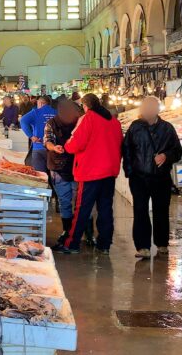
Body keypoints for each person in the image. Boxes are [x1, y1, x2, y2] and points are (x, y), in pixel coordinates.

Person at [58, 94, 123, 254]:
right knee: (106, 209)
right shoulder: (114, 121)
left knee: (82, 209)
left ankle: (71, 244)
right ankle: (104, 245)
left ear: (86, 106)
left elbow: (75, 145)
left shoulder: (88, 118)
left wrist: (67, 144)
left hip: (91, 172)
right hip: (109, 172)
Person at [122, 97, 182, 259]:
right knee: (140, 210)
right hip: (139, 178)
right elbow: (126, 150)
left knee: (161, 211)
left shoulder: (167, 128)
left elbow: (177, 151)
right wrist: (130, 171)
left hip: (161, 177)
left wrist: (166, 156)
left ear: (157, 110)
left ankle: (162, 243)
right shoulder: (135, 128)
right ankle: (142, 246)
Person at [43, 100, 83, 244]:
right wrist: (54, 147)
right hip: (58, 167)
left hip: (78, 166)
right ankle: (67, 231)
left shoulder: (80, 122)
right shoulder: (51, 123)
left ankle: (87, 233)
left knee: (82, 201)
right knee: (65, 201)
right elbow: (47, 140)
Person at [20, 96, 57, 173]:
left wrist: (31, 136)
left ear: (40, 103)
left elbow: (23, 121)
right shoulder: (56, 112)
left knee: (41, 176)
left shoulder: (35, 112)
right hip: (54, 148)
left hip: (38, 147)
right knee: (54, 176)